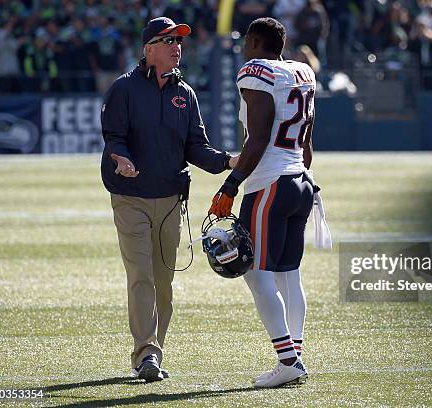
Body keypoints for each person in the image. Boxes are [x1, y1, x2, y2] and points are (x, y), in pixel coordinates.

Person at [100, 16, 236, 383]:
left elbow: (197, 148)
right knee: (141, 276)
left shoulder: (186, 94)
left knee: (164, 284)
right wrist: (121, 158)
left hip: (171, 201)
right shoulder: (123, 89)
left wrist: (228, 161)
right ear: (148, 50)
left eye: (179, 40)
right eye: (168, 40)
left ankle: (151, 354)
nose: (177, 46)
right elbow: (113, 138)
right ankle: (147, 354)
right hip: (131, 199)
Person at [209, 17, 317, 388]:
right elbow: (307, 143)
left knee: (254, 273)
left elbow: (257, 137)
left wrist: (231, 184)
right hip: (300, 180)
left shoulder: (255, 72)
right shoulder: (302, 72)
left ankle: (288, 361)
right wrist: (303, 178)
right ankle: (295, 357)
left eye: (246, 42)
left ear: (255, 41)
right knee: (289, 273)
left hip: (269, 183)